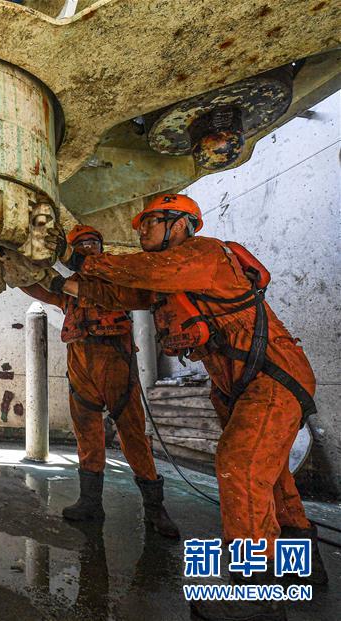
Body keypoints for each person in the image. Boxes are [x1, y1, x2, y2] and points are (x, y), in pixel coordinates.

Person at [42, 193, 326, 620]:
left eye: (150, 221)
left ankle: (256, 598)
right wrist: (56, 281)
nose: (141, 230)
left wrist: (74, 256)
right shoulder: (166, 280)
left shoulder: (204, 255)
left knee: (239, 466)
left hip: (273, 377)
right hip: (240, 383)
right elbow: (117, 294)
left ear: (180, 224)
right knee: (271, 477)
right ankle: (305, 568)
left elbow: (142, 270)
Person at [22, 225, 179, 539]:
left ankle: (155, 509)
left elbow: (141, 296)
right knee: (87, 434)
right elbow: (37, 289)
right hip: (80, 365)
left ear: (101, 248)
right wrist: (17, 267)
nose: (88, 248)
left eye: (93, 243)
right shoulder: (68, 291)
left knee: (132, 434)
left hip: (115, 363)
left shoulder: (118, 283)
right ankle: (90, 502)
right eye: (82, 244)